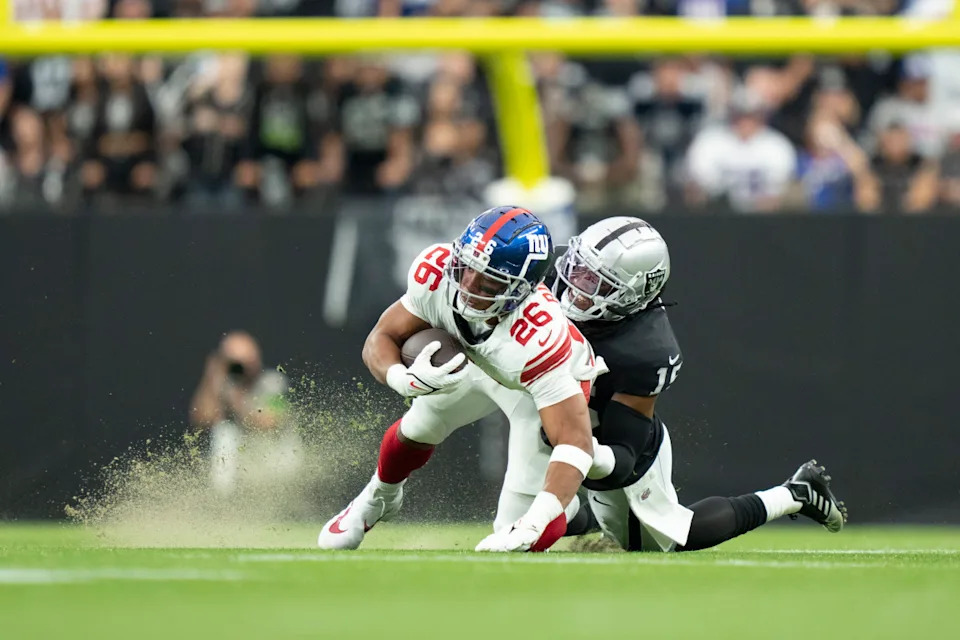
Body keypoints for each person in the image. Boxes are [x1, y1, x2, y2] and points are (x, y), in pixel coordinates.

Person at [543, 216, 848, 551]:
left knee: (668, 539)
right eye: (578, 269)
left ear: (631, 293)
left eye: (595, 282)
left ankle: (794, 495)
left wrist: (572, 448)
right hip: (566, 418)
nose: (576, 286)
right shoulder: (552, 277)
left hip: (618, 441)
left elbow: (622, 461)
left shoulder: (646, 351)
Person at [317, 206, 607, 553]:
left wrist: (537, 518)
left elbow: (575, 442)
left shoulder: (540, 338)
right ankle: (376, 498)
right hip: (477, 361)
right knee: (420, 424)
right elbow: (380, 338)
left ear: (522, 288)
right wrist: (402, 378)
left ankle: (572, 507)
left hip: (533, 389)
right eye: (466, 268)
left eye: (487, 280)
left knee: (514, 535)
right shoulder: (437, 272)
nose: (468, 285)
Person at [189, 331, 297, 494]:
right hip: (241, 458)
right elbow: (201, 419)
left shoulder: (273, 382)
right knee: (224, 432)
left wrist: (237, 398)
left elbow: (270, 421)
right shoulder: (225, 385)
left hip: (272, 453)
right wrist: (211, 377)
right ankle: (223, 501)